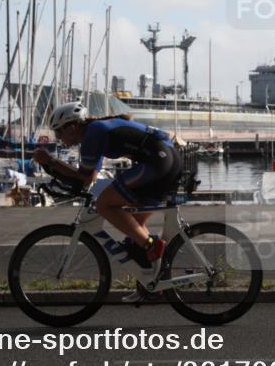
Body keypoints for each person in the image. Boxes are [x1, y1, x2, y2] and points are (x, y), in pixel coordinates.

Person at [32, 103, 183, 301]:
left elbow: (85, 178)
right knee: (133, 227)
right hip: (167, 160)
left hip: (158, 162)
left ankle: (152, 246)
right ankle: (151, 281)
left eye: (58, 133)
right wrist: (54, 166)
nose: (58, 139)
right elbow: (90, 176)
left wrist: (51, 161)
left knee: (104, 204)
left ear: (71, 127)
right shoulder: (97, 131)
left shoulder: (94, 133)